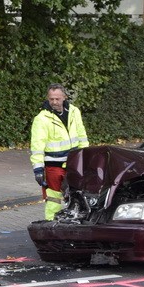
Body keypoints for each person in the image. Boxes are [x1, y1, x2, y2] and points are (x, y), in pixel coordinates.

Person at [30, 83, 89, 220]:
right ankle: (51, 223)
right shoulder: (42, 119)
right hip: (53, 165)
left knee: (78, 194)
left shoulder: (74, 112)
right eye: (51, 99)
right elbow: (37, 146)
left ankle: (77, 220)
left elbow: (82, 135)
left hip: (74, 163)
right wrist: (38, 169)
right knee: (54, 198)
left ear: (64, 97)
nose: (54, 102)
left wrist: (86, 156)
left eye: (57, 99)